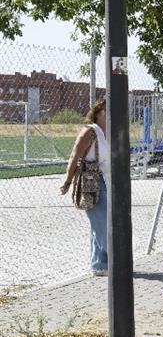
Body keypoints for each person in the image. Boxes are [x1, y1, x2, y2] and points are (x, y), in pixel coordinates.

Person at [60, 98, 109, 276]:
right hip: (92, 183)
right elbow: (75, 156)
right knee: (102, 223)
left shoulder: (108, 132)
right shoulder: (90, 131)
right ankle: (114, 260)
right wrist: (67, 181)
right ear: (98, 113)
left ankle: (99, 265)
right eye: (106, 110)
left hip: (107, 181)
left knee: (100, 222)